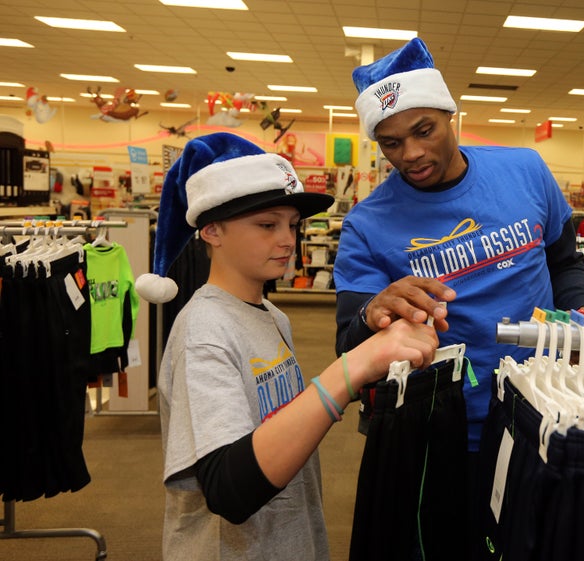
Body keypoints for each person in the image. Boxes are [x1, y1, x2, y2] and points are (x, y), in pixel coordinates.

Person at [135, 132, 440, 561]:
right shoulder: (204, 331)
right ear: (212, 230)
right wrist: (352, 368)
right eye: (267, 225)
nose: (286, 240)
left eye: (292, 225)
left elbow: (282, 424)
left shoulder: (271, 315)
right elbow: (228, 489)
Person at [334, 37, 584, 457]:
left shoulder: (526, 170)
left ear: (450, 116)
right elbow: (349, 343)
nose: (412, 154)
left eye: (424, 130)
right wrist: (373, 311)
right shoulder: (366, 225)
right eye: (391, 143)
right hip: (441, 427)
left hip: (545, 407)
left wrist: (580, 318)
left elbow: (565, 264)